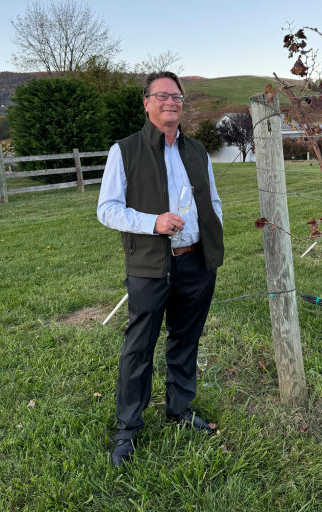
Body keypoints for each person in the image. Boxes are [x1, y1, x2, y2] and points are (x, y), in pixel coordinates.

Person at [97, 71, 224, 468]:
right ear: (147, 103)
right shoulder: (125, 151)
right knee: (139, 347)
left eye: (177, 97)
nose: (172, 102)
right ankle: (127, 430)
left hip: (196, 262)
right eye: (163, 95)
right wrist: (153, 222)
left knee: (185, 340)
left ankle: (180, 410)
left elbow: (214, 201)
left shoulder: (198, 151)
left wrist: (210, 235)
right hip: (151, 265)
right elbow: (107, 209)